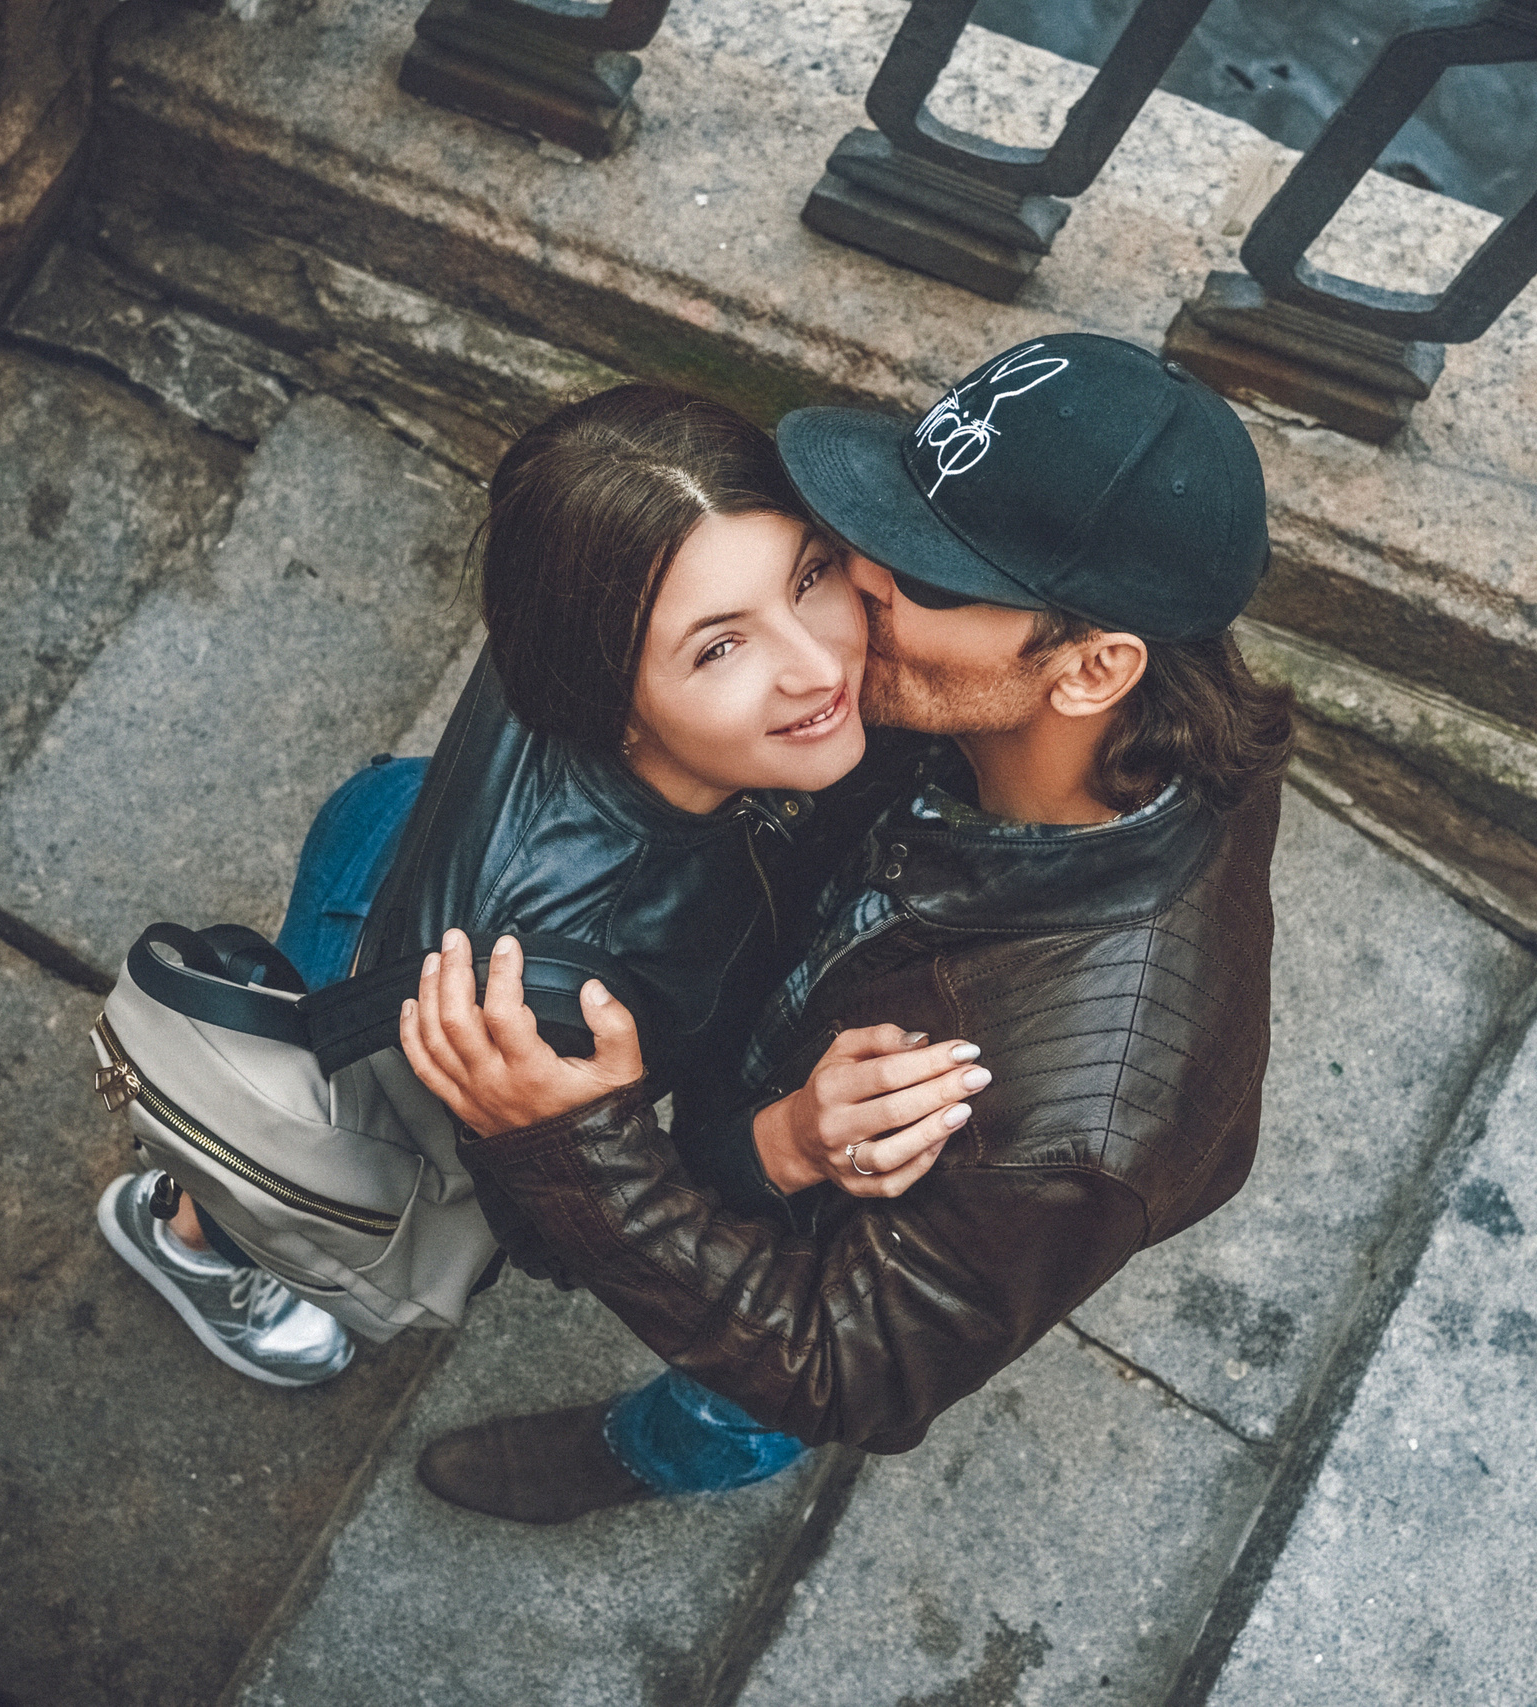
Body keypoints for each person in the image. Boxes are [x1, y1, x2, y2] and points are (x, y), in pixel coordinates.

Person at [397, 333, 1293, 1520]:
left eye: (923, 577)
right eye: (884, 531)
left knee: (738, 1408)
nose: (856, 582)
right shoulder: (1052, 714)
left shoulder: (1074, 1133)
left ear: (1089, 670)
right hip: (779, 1089)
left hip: (830, 1263)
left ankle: (646, 1454)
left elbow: (846, 1368)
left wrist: (578, 1146)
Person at [96, 385, 983, 1389]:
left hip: (407, 827)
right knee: (316, 1133)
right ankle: (193, 1233)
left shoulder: (594, 578)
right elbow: (552, 1231)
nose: (818, 664)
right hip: (434, 980)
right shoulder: (538, 1007)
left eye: (810, 576)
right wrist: (775, 1143)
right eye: (720, 645)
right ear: (609, 700)